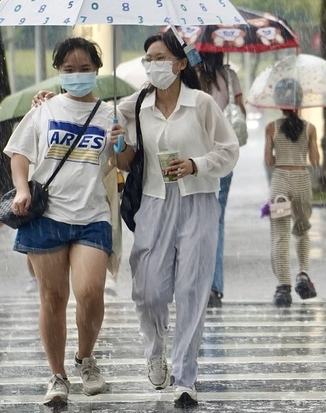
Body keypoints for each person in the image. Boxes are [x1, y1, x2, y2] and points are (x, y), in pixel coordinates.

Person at [114, 32, 239, 407]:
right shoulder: (135, 105)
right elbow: (94, 113)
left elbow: (228, 150)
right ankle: (156, 349)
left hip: (198, 201)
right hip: (153, 203)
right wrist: (118, 142)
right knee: (148, 290)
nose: (153, 64)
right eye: (147, 58)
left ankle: (185, 377)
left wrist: (196, 164)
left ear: (180, 63)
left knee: (191, 291)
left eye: (160, 57)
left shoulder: (201, 104)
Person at [3, 37, 124, 405]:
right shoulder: (44, 109)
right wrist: (22, 190)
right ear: (58, 72)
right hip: (47, 216)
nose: (77, 75)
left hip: (93, 215)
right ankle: (57, 375)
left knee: (90, 292)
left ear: (96, 71)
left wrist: (120, 144)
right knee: (53, 298)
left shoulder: (110, 114)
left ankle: (85, 358)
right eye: (69, 69)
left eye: (84, 68)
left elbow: (122, 165)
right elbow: (19, 153)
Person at [195, 51, 247, 309]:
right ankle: (215, 286)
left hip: (195, 155)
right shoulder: (229, 75)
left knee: (193, 219)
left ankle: (196, 283)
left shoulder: (191, 74)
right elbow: (241, 113)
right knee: (217, 220)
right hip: (222, 155)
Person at [263, 78, 320, 307]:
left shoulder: (271, 127)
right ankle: (303, 274)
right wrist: (309, 146)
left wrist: (278, 151)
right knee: (302, 230)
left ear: (279, 103)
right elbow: (315, 161)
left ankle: (283, 287)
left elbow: (268, 161)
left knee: (280, 235)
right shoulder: (310, 128)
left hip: (280, 183)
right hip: (302, 182)